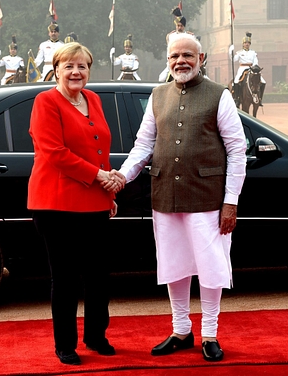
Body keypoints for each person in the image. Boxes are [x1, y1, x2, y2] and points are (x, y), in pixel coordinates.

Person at [108, 33, 247, 362]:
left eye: (187, 55)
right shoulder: (158, 96)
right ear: (167, 61)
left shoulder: (219, 95)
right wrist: (122, 177)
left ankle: (210, 334)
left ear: (201, 59)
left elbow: (237, 151)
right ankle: (181, 331)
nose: (180, 61)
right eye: (174, 56)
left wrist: (231, 201)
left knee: (211, 267)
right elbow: (143, 146)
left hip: (208, 199)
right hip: (166, 196)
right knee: (175, 265)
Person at [28, 42, 119, 366]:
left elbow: (99, 150)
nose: (76, 72)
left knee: (98, 276)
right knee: (65, 279)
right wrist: (101, 177)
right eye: (69, 66)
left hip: (93, 201)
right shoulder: (46, 101)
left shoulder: (92, 99)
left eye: (82, 66)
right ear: (56, 70)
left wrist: (106, 193)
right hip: (57, 204)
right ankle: (65, 345)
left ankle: (96, 336)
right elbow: (55, 153)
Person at [158, 7, 194, 82]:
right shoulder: (170, 36)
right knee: (161, 79)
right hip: (172, 62)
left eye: (181, 26)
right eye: (178, 25)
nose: (179, 27)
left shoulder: (189, 36)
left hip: (186, 62)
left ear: (184, 26)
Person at [229, 32, 266, 105]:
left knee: (263, 82)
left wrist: (255, 68)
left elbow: (255, 61)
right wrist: (230, 51)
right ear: (243, 44)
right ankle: (236, 99)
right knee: (236, 81)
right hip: (242, 68)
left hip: (252, 68)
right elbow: (233, 59)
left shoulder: (253, 52)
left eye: (248, 43)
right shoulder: (239, 52)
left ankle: (260, 99)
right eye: (245, 43)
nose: (247, 44)